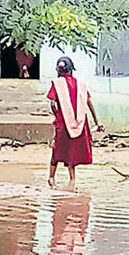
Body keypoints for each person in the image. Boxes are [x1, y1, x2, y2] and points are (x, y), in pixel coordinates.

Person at [47, 57, 104, 189]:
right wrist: (96, 121)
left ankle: (51, 178)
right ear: (71, 68)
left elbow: (52, 103)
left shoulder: (57, 83)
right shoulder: (80, 84)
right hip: (79, 122)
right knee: (72, 150)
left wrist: (57, 116)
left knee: (57, 149)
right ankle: (72, 179)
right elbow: (89, 102)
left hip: (62, 122)